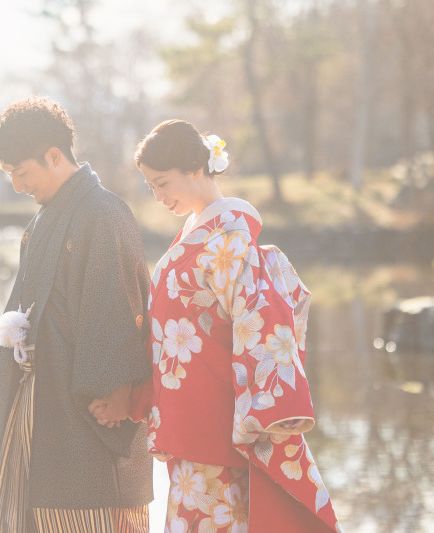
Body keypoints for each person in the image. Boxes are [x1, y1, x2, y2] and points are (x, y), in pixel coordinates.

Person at [96, 119, 341, 532]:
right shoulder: (199, 233)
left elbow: (261, 321)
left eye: (162, 183)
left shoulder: (230, 239)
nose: (158, 197)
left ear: (196, 168)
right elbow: (166, 335)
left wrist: (271, 409)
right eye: (151, 187)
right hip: (191, 419)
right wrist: (135, 395)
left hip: (216, 421)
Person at [0, 96, 153, 533]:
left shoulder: (103, 212)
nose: (17, 185)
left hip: (84, 407)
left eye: (21, 172)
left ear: (53, 156)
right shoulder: (45, 219)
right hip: (38, 401)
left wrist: (118, 388)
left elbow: (118, 305)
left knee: (87, 513)